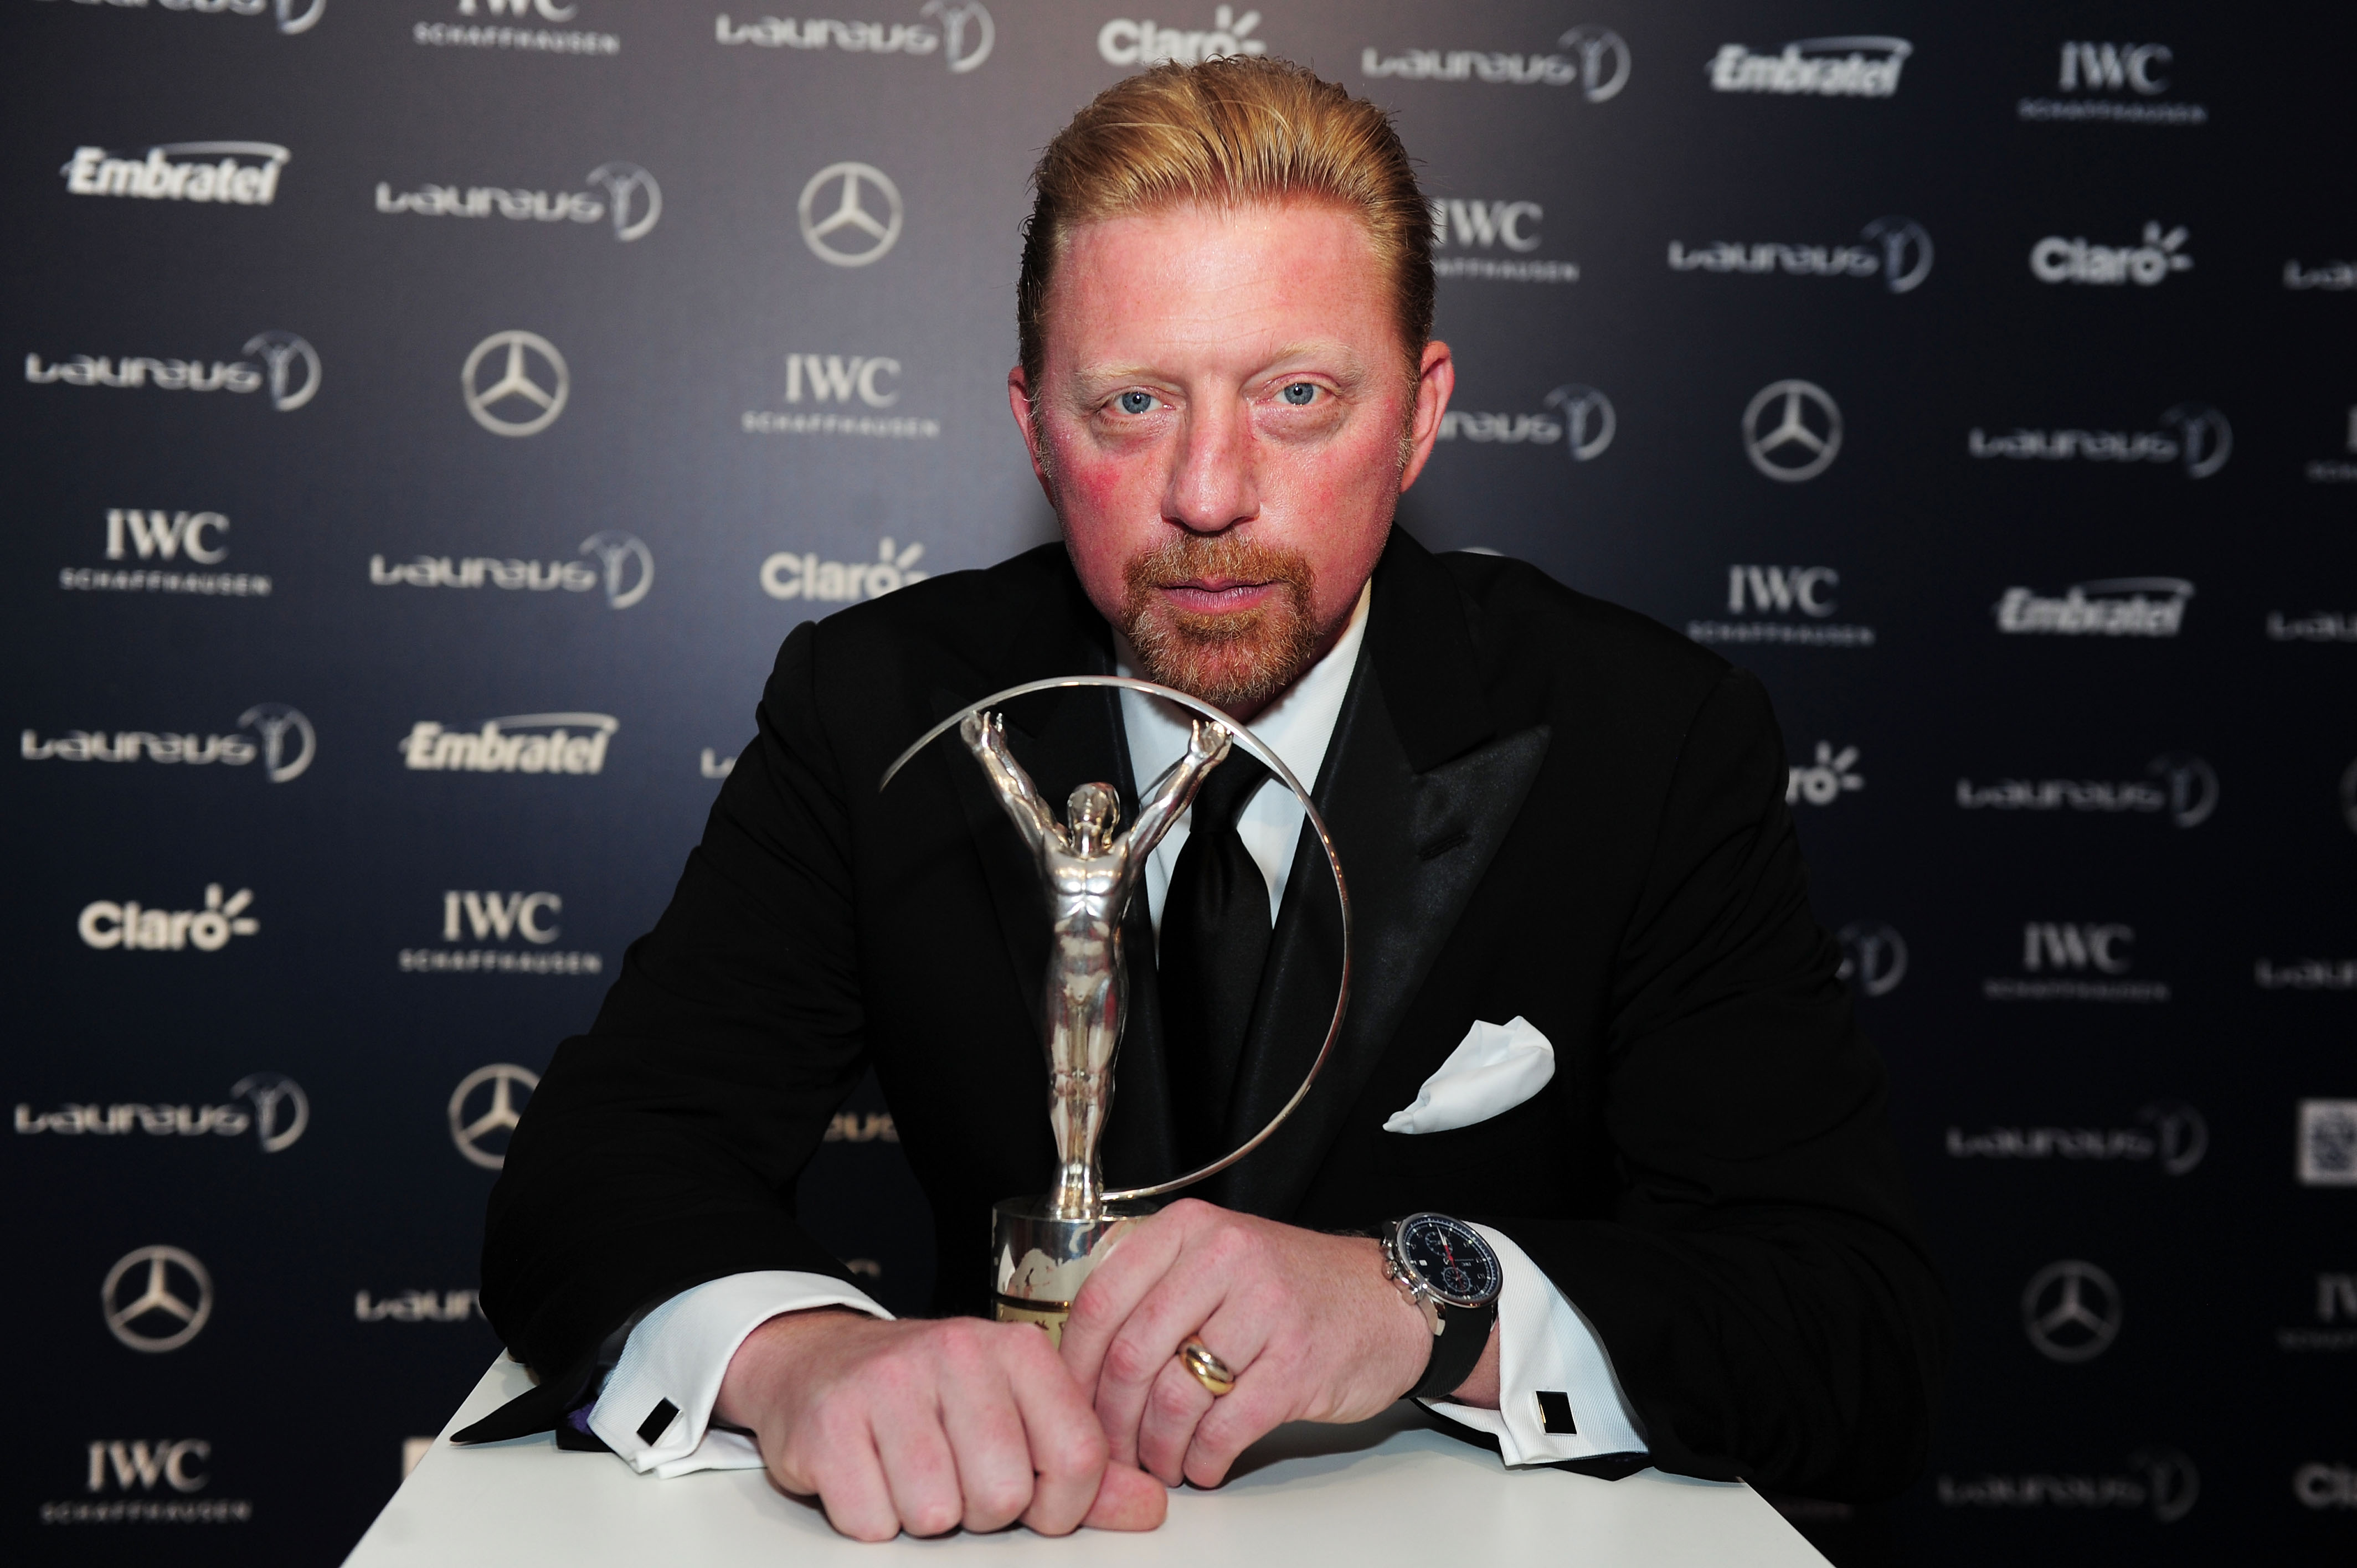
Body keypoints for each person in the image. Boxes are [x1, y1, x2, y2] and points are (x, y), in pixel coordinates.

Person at [465, 58, 1946, 1542]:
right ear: (1037, 428)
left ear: (1421, 417)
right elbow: (597, 1170)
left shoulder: (1648, 736)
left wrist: (1426, 1295)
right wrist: (802, 1361)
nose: (1210, 490)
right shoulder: (880, 710)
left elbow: (1851, 1328)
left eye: (1298, 396)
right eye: (1131, 404)